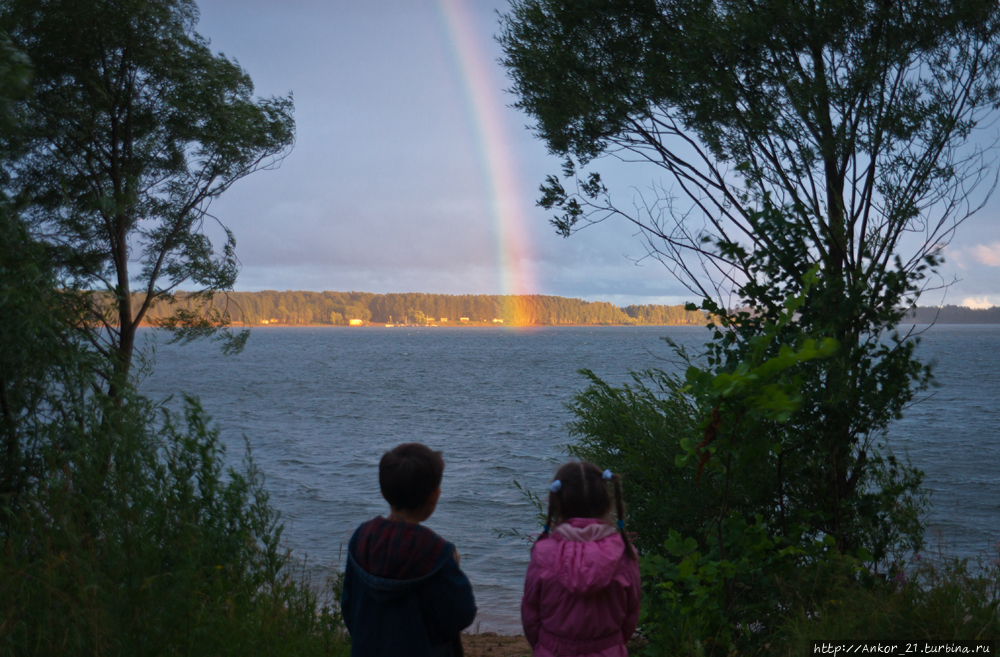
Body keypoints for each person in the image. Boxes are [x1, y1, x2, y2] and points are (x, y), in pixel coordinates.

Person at [342, 443, 476, 657]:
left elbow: (348, 606)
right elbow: (461, 614)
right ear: (434, 496)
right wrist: (453, 568)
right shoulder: (437, 553)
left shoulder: (362, 537)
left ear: (384, 490)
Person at [521, 461, 641, 657]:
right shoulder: (625, 552)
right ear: (608, 503)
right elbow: (631, 614)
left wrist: (545, 647)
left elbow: (531, 615)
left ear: (557, 504)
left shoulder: (543, 552)